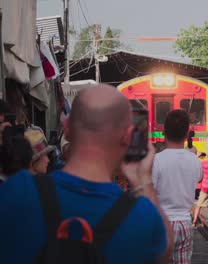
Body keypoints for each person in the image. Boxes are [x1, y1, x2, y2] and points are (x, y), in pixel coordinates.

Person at [0, 84, 171, 263]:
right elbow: (164, 251)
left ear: (66, 127)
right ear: (127, 137)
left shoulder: (15, 191)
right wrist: (142, 179)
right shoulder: (143, 217)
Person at [152, 109, 202, 264]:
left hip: (162, 222)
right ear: (187, 134)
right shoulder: (194, 160)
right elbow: (199, 177)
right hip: (185, 223)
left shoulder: (156, 160)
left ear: (163, 132)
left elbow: (149, 192)